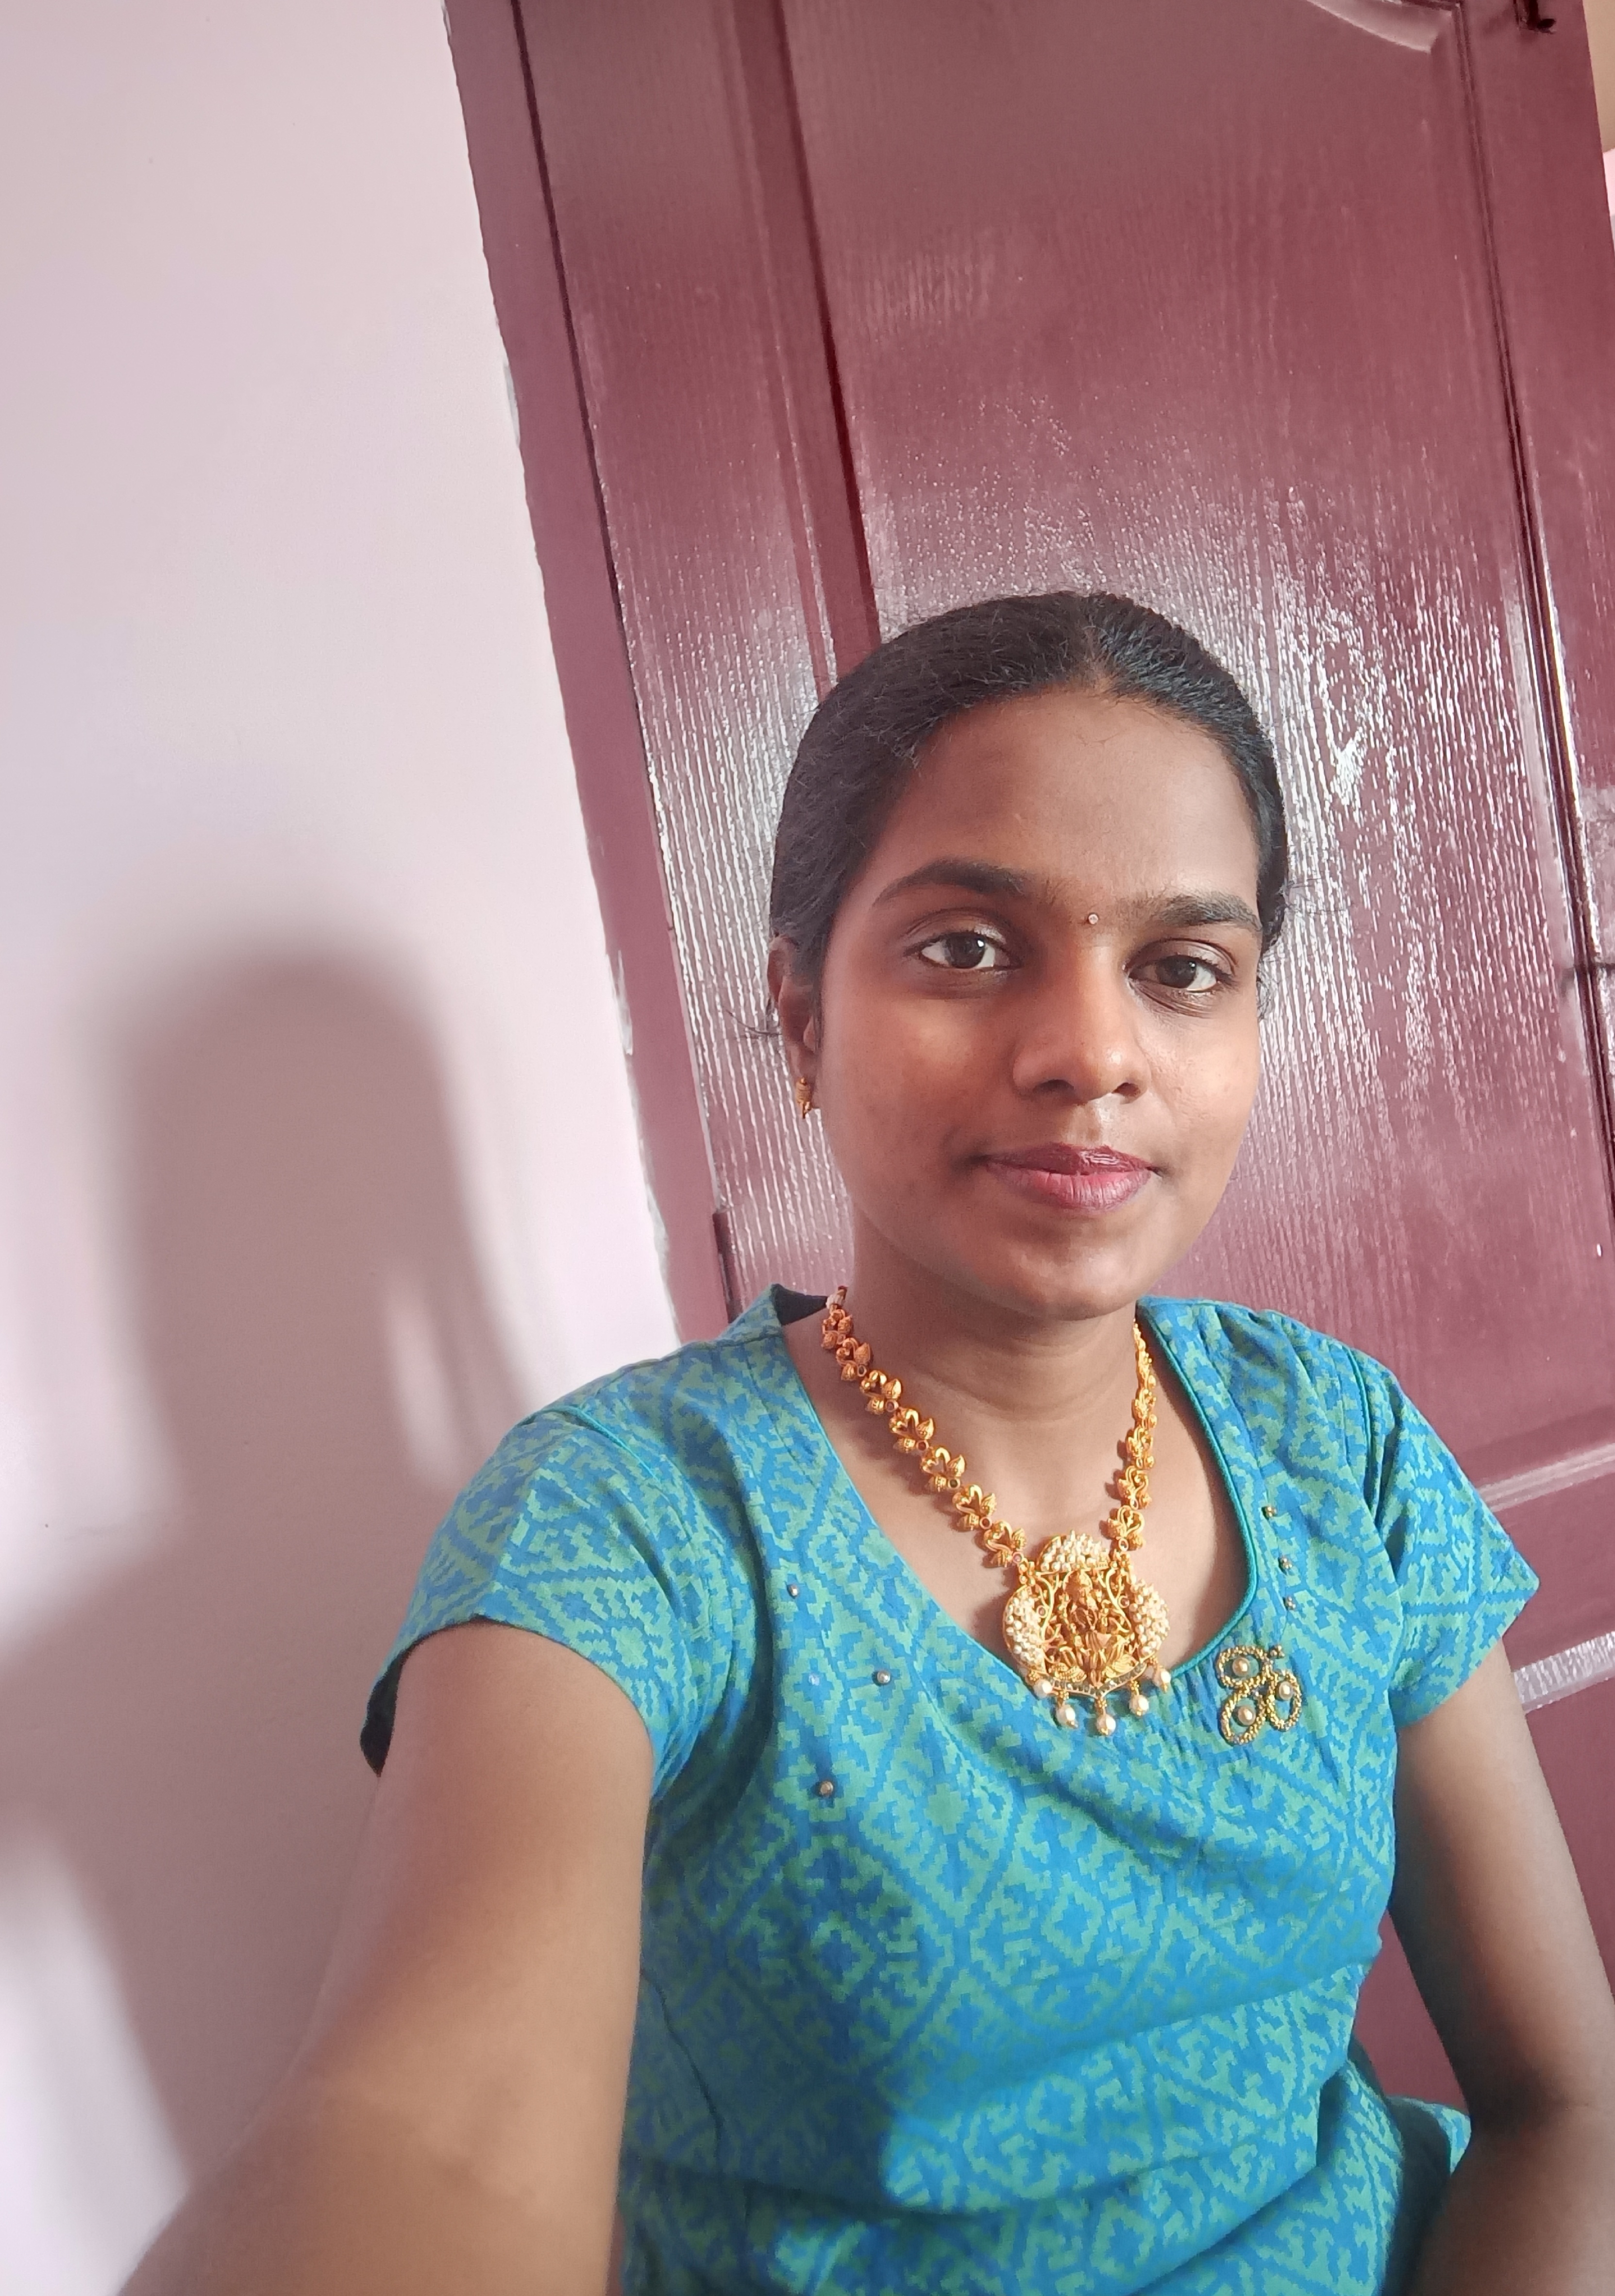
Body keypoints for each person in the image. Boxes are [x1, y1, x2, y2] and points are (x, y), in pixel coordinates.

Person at [128, 593, 1615, 2295]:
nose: (1093, 1052)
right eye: (968, 947)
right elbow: (428, 2136)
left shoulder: (1335, 1438)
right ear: (802, 1015)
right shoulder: (634, 1522)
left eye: (1181, 969)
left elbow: (1568, 2101)